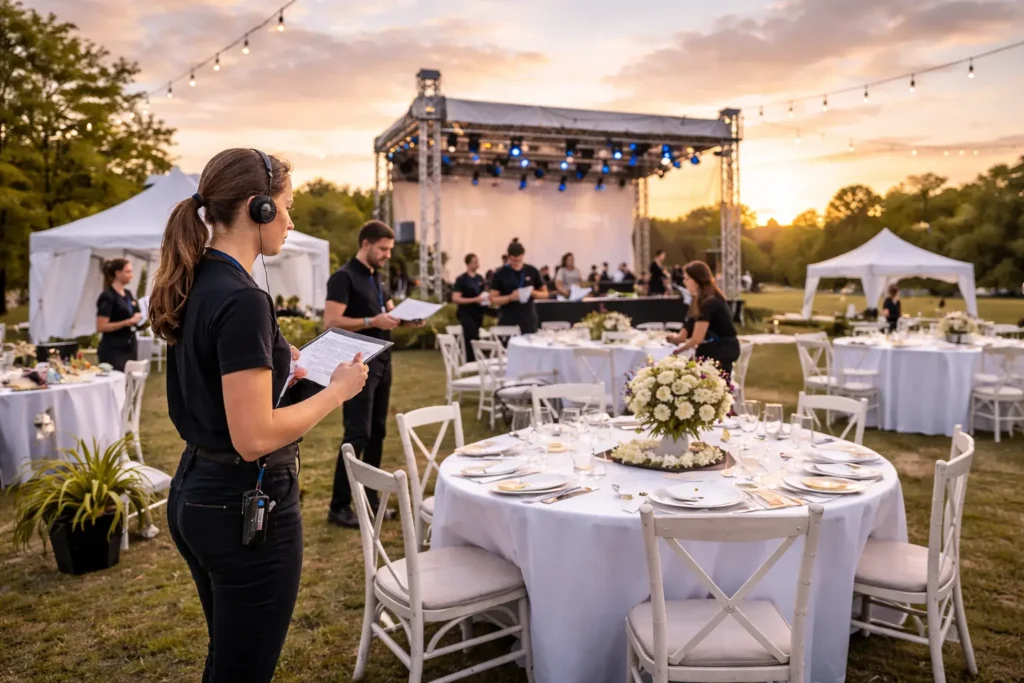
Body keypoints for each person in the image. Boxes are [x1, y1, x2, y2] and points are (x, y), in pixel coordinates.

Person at [150, 148, 369, 683]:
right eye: (286, 205)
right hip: (243, 505)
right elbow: (253, 438)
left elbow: (220, 387)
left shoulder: (199, 278)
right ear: (259, 209)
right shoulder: (243, 299)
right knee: (243, 669)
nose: (291, 220)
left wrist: (280, 370)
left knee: (229, 658)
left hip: (197, 493)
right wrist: (336, 390)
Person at [324, 220, 418, 529]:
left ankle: (370, 500)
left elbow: (388, 314)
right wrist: (369, 319)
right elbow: (332, 322)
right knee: (357, 434)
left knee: (378, 432)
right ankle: (339, 506)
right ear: (365, 244)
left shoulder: (377, 279)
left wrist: (407, 320)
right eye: (383, 249)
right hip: (356, 366)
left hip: (382, 363)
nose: (388, 254)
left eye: (390, 249)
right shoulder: (343, 277)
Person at [667, 260, 740, 378]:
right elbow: (684, 333)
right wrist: (671, 339)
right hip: (715, 349)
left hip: (721, 350)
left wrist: (677, 352)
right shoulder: (698, 300)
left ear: (697, 280)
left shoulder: (709, 302)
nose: (684, 282)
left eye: (687, 279)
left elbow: (697, 339)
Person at [489, 240, 548, 333]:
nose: (516, 262)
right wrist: (510, 298)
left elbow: (545, 294)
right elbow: (493, 298)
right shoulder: (500, 273)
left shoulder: (532, 271)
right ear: (509, 257)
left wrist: (532, 293)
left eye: (519, 259)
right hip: (508, 318)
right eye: (513, 260)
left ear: (523, 256)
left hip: (528, 318)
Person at [95, 258, 141, 371]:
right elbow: (101, 326)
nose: (131, 275)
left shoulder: (128, 294)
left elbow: (135, 312)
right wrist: (126, 322)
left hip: (129, 346)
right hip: (113, 349)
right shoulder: (108, 296)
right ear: (118, 273)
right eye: (128, 271)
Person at [452, 253, 487, 362]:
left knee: (476, 335)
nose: (477, 264)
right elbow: (456, 298)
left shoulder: (480, 278)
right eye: (474, 262)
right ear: (468, 264)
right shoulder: (462, 279)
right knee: (470, 336)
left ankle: (477, 358)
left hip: (478, 313)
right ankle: (470, 360)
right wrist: (473, 300)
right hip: (466, 313)